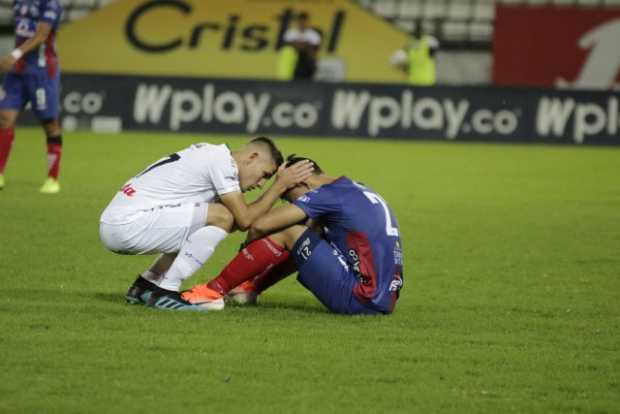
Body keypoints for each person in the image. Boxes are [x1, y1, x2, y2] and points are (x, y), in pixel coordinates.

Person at [98, 138, 314, 312]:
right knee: (223, 216)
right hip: (127, 224)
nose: (259, 184)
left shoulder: (211, 154)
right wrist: (279, 186)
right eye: (264, 175)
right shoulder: (220, 162)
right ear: (252, 157)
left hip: (120, 221)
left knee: (212, 218)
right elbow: (244, 220)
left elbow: (240, 220)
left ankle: (146, 285)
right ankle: (166, 291)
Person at [182, 156, 404, 315]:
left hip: (359, 297)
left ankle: (212, 291)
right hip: (383, 299)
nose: (291, 204)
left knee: (289, 229)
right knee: (306, 237)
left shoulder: (326, 195)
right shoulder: (355, 189)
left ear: (302, 182)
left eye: (291, 197)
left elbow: (259, 225)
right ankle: (247, 290)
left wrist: (248, 249)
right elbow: (304, 247)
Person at [0, 0, 64, 193]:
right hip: (18, 71)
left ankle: (52, 179)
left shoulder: (50, 4)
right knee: (4, 118)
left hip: (42, 72)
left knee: (49, 124)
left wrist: (16, 53)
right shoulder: (19, 2)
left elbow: (42, 35)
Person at [278, 12, 322, 81]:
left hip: (307, 61)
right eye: (300, 21)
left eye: (304, 21)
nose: (302, 23)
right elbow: (286, 46)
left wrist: (300, 45)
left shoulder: (313, 34)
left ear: (308, 22)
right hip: (292, 61)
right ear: (297, 22)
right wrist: (304, 44)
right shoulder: (290, 33)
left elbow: (314, 49)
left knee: (310, 55)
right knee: (287, 52)